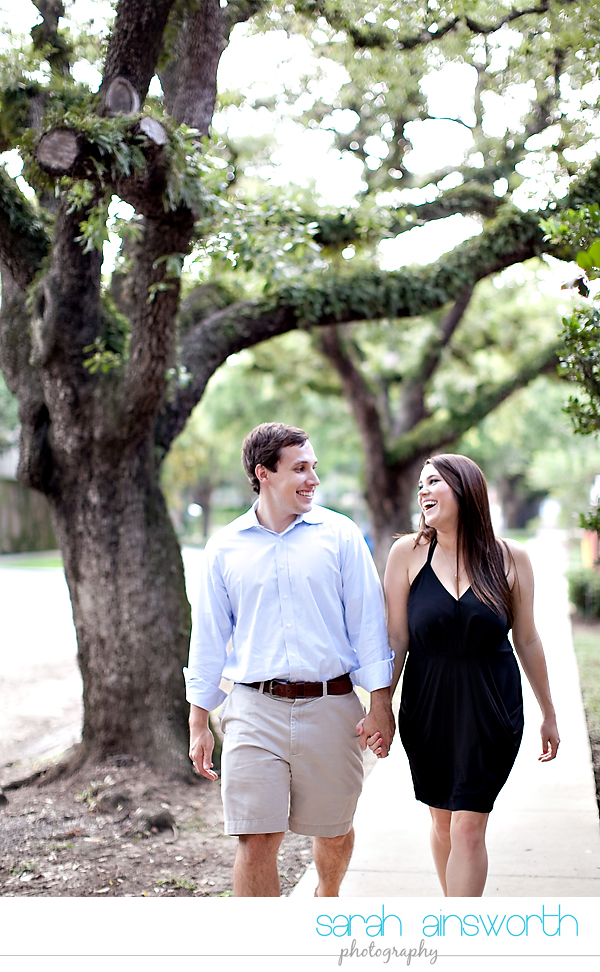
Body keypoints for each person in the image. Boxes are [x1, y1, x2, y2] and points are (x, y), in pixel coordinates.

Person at [185, 422, 395, 897]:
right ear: (264, 473)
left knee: (334, 829)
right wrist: (199, 719)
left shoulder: (340, 536)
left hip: (331, 704)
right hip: (253, 709)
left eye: (313, 468)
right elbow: (209, 639)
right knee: (256, 836)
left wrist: (380, 701)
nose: (312, 479)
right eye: (300, 469)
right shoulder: (224, 548)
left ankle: (327, 897)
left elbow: (368, 625)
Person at [369, 453, 560, 897]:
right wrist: (382, 707)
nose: (422, 491)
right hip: (428, 703)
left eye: (433, 481)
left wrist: (549, 711)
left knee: (469, 827)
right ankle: (453, 910)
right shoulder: (406, 553)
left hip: (492, 705)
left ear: (465, 488)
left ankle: (459, 936)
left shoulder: (512, 558)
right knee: (441, 821)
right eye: (420, 484)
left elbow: (527, 639)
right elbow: (395, 639)